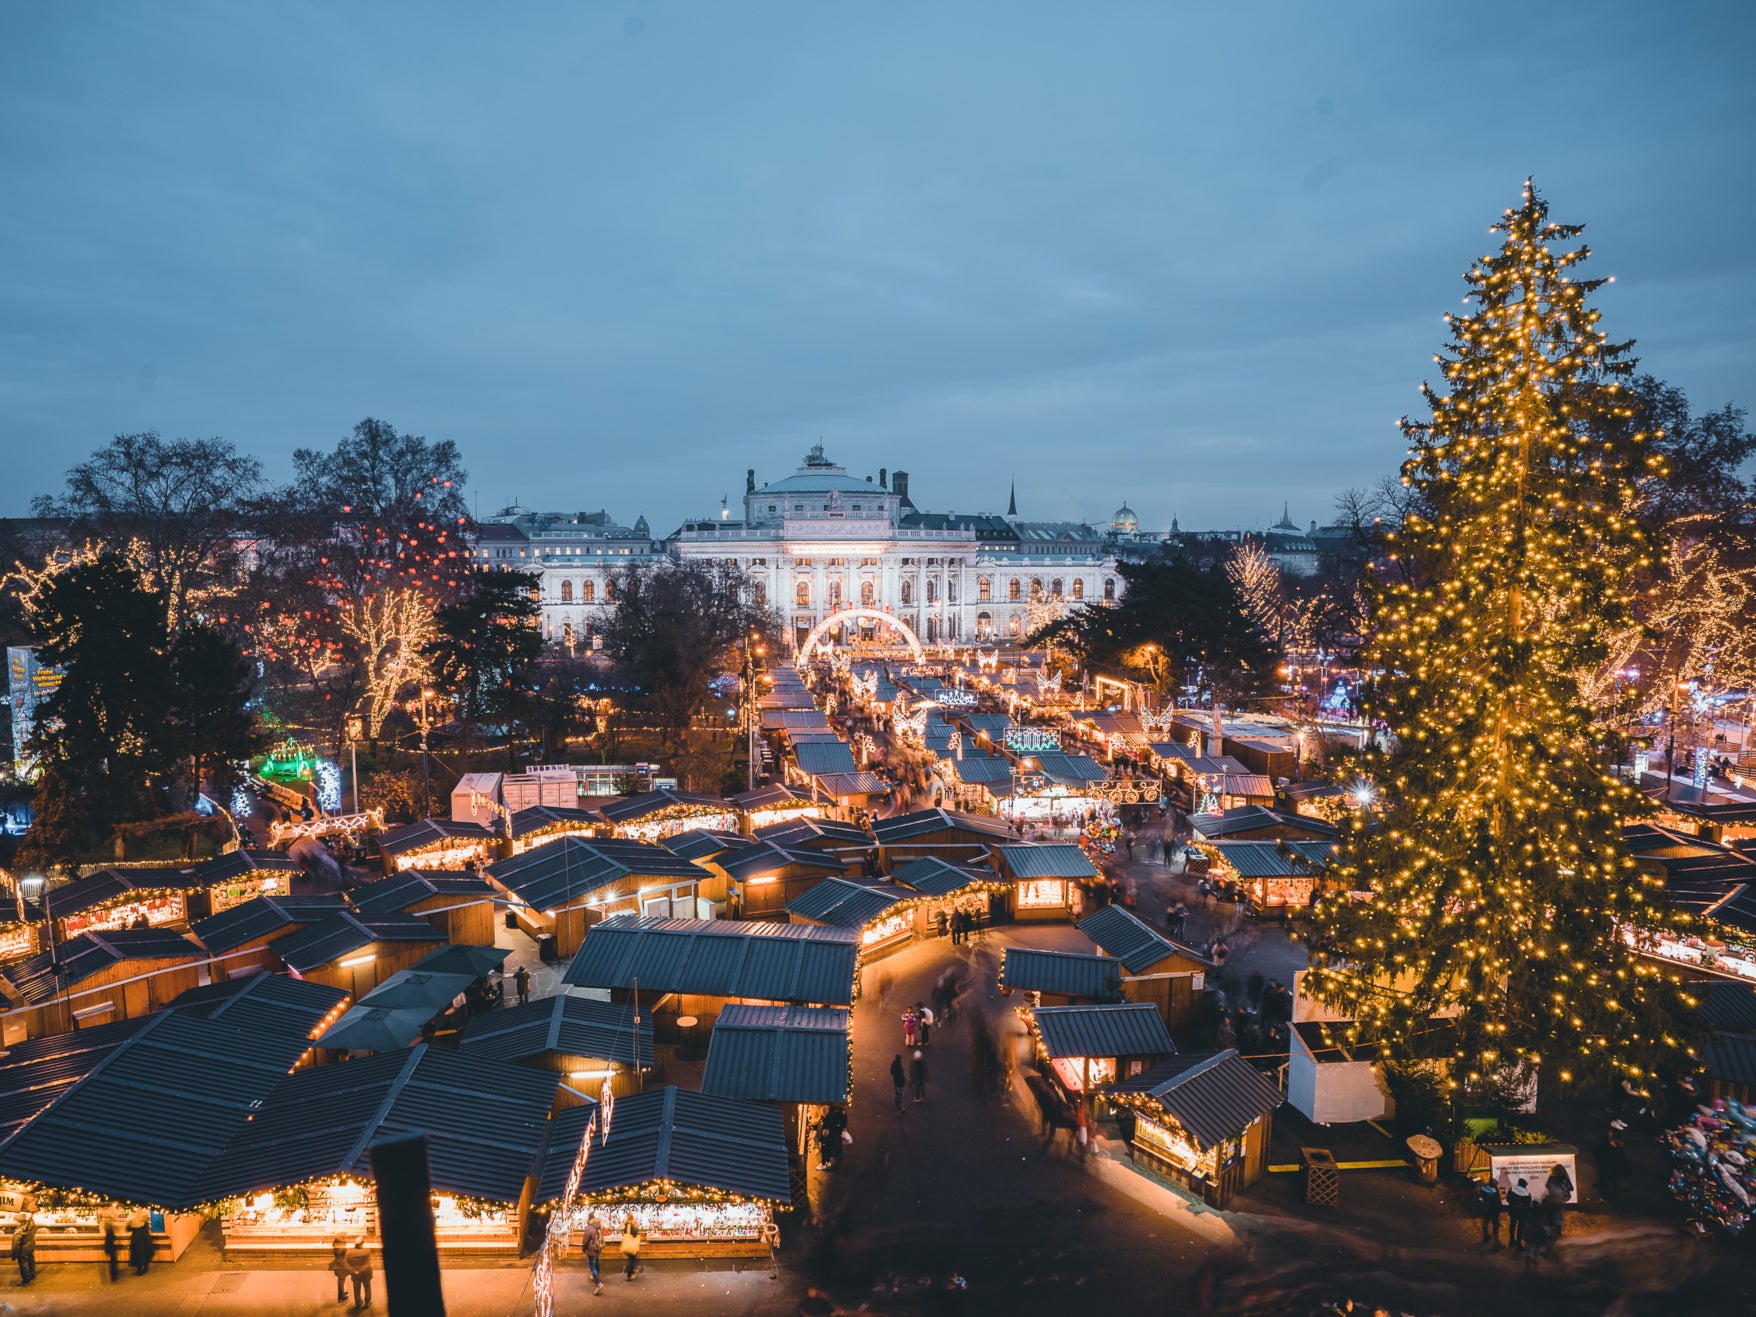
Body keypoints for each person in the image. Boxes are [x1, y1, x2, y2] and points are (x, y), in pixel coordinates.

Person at [579, 1214, 605, 1295]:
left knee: (592, 1267)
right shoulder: (598, 1227)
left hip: (591, 1250)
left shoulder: (589, 1228)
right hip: (597, 1249)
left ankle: (598, 1283)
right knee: (596, 1263)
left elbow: (585, 1241)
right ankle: (596, 1277)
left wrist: (584, 1249)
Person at [1505, 1176, 1532, 1250]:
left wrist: (1514, 1204)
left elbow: (1508, 1199)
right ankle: (1519, 1244)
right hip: (1522, 1213)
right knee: (1520, 1227)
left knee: (1512, 1225)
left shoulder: (1512, 1190)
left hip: (1513, 1211)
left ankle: (1511, 1240)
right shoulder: (1527, 1194)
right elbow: (1528, 1204)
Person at [345, 1237, 372, 1310]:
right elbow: (367, 1264)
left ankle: (358, 1303)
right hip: (365, 1274)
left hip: (355, 1275)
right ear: (362, 1243)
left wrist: (354, 1271)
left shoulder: (349, 1252)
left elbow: (346, 1264)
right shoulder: (367, 1251)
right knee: (367, 1288)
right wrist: (360, 1271)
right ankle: (367, 1302)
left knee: (356, 1288)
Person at [10, 1212, 36, 1286]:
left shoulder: (18, 1233)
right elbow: (32, 1221)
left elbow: (15, 1246)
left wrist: (14, 1255)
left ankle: (26, 1279)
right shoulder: (31, 1226)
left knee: (23, 1264)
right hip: (30, 1246)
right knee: (31, 1261)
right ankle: (32, 1274)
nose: (14, 1222)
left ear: (19, 1222)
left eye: (15, 1220)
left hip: (23, 1250)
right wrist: (31, 1214)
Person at [1476, 1178, 1503, 1248]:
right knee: (1495, 1225)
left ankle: (1486, 1236)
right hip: (1494, 1211)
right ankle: (1496, 1242)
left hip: (1486, 1210)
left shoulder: (1483, 1188)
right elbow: (1498, 1201)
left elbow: (1480, 1198)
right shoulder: (1495, 1190)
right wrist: (1499, 1208)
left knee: (1485, 1222)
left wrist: (1482, 1205)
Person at [127, 1207, 154, 1275]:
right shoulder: (144, 1211)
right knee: (147, 1250)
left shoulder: (130, 1216)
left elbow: (128, 1228)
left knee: (138, 1252)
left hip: (136, 1234)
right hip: (144, 1233)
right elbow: (147, 1221)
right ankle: (145, 1266)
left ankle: (139, 1269)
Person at [328, 1232, 351, 1302]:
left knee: (341, 1281)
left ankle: (341, 1293)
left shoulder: (336, 1246)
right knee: (341, 1281)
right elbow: (344, 1256)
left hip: (339, 1265)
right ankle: (341, 1297)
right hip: (341, 1266)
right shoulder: (341, 1249)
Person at [620, 1216, 642, 1281]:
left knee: (631, 1259)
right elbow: (634, 1234)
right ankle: (629, 1274)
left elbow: (626, 1233)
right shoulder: (631, 1225)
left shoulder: (627, 1225)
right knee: (632, 1260)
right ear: (632, 1219)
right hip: (631, 1245)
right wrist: (636, 1227)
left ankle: (630, 1270)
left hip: (627, 1245)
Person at [102, 1211, 122, 1282]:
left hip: (108, 1245)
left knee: (112, 1260)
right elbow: (111, 1236)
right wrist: (115, 1237)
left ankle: (113, 1275)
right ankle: (114, 1276)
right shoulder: (108, 1225)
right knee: (113, 1260)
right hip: (110, 1245)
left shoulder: (106, 1224)